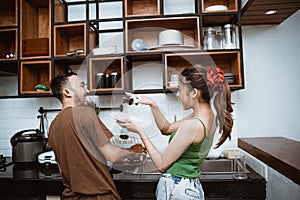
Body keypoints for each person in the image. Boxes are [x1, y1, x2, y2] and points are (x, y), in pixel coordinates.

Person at [117, 65, 233, 200]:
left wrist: (140, 131)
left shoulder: (193, 125)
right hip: (190, 187)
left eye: (180, 89)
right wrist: (152, 104)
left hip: (176, 188)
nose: (178, 94)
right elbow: (166, 129)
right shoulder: (207, 117)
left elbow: (161, 164)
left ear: (194, 92)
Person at [48, 72, 145, 200]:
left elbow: (63, 167)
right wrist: (132, 151)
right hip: (98, 195)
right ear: (67, 92)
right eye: (82, 86)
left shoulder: (53, 125)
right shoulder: (85, 113)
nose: (87, 90)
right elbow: (112, 155)